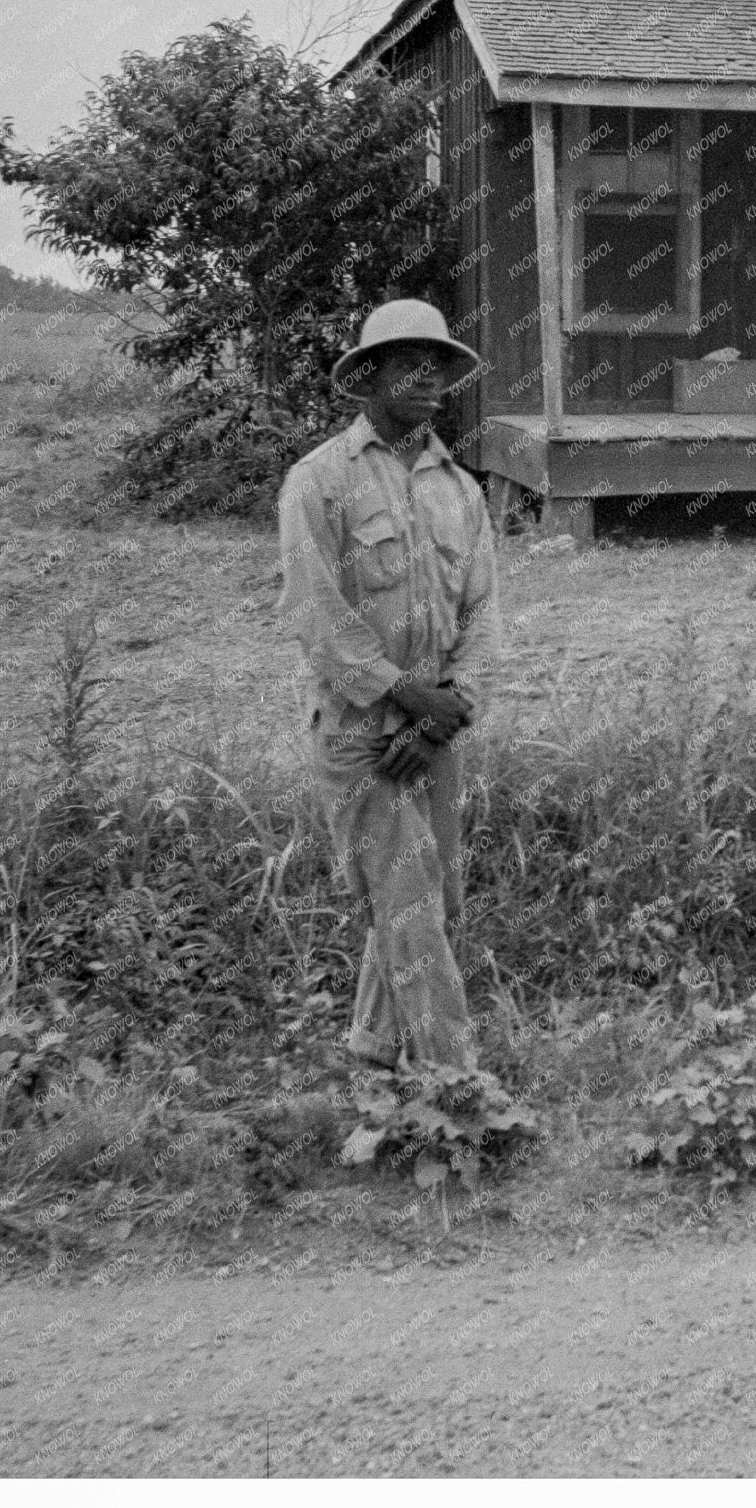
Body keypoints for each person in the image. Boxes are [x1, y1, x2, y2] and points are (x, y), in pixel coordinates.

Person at [278, 299, 496, 1073]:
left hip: (435, 730)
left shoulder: (461, 490)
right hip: (357, 731)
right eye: (408, 362)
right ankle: (454, 1086)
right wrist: (408, 697)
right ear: (367, 376)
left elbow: (484, 615)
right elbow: (315, 612)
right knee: (408, 908)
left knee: (435, 903)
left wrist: (444, 714)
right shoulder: (320, 481)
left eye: (438, 365)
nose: (428, 378)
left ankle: (373, 1056)